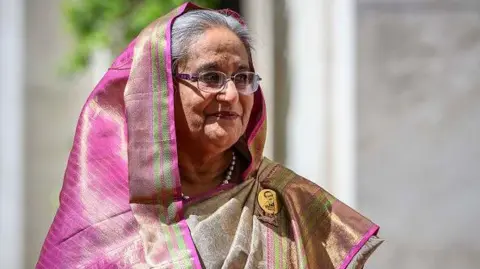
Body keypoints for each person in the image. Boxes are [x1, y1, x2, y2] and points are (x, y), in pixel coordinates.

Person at [37, 2, 382, 268]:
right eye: (211, 77)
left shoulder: (293, 204)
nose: (232, 95)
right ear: (161, 91)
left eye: (243, 77)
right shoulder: (102, 213)